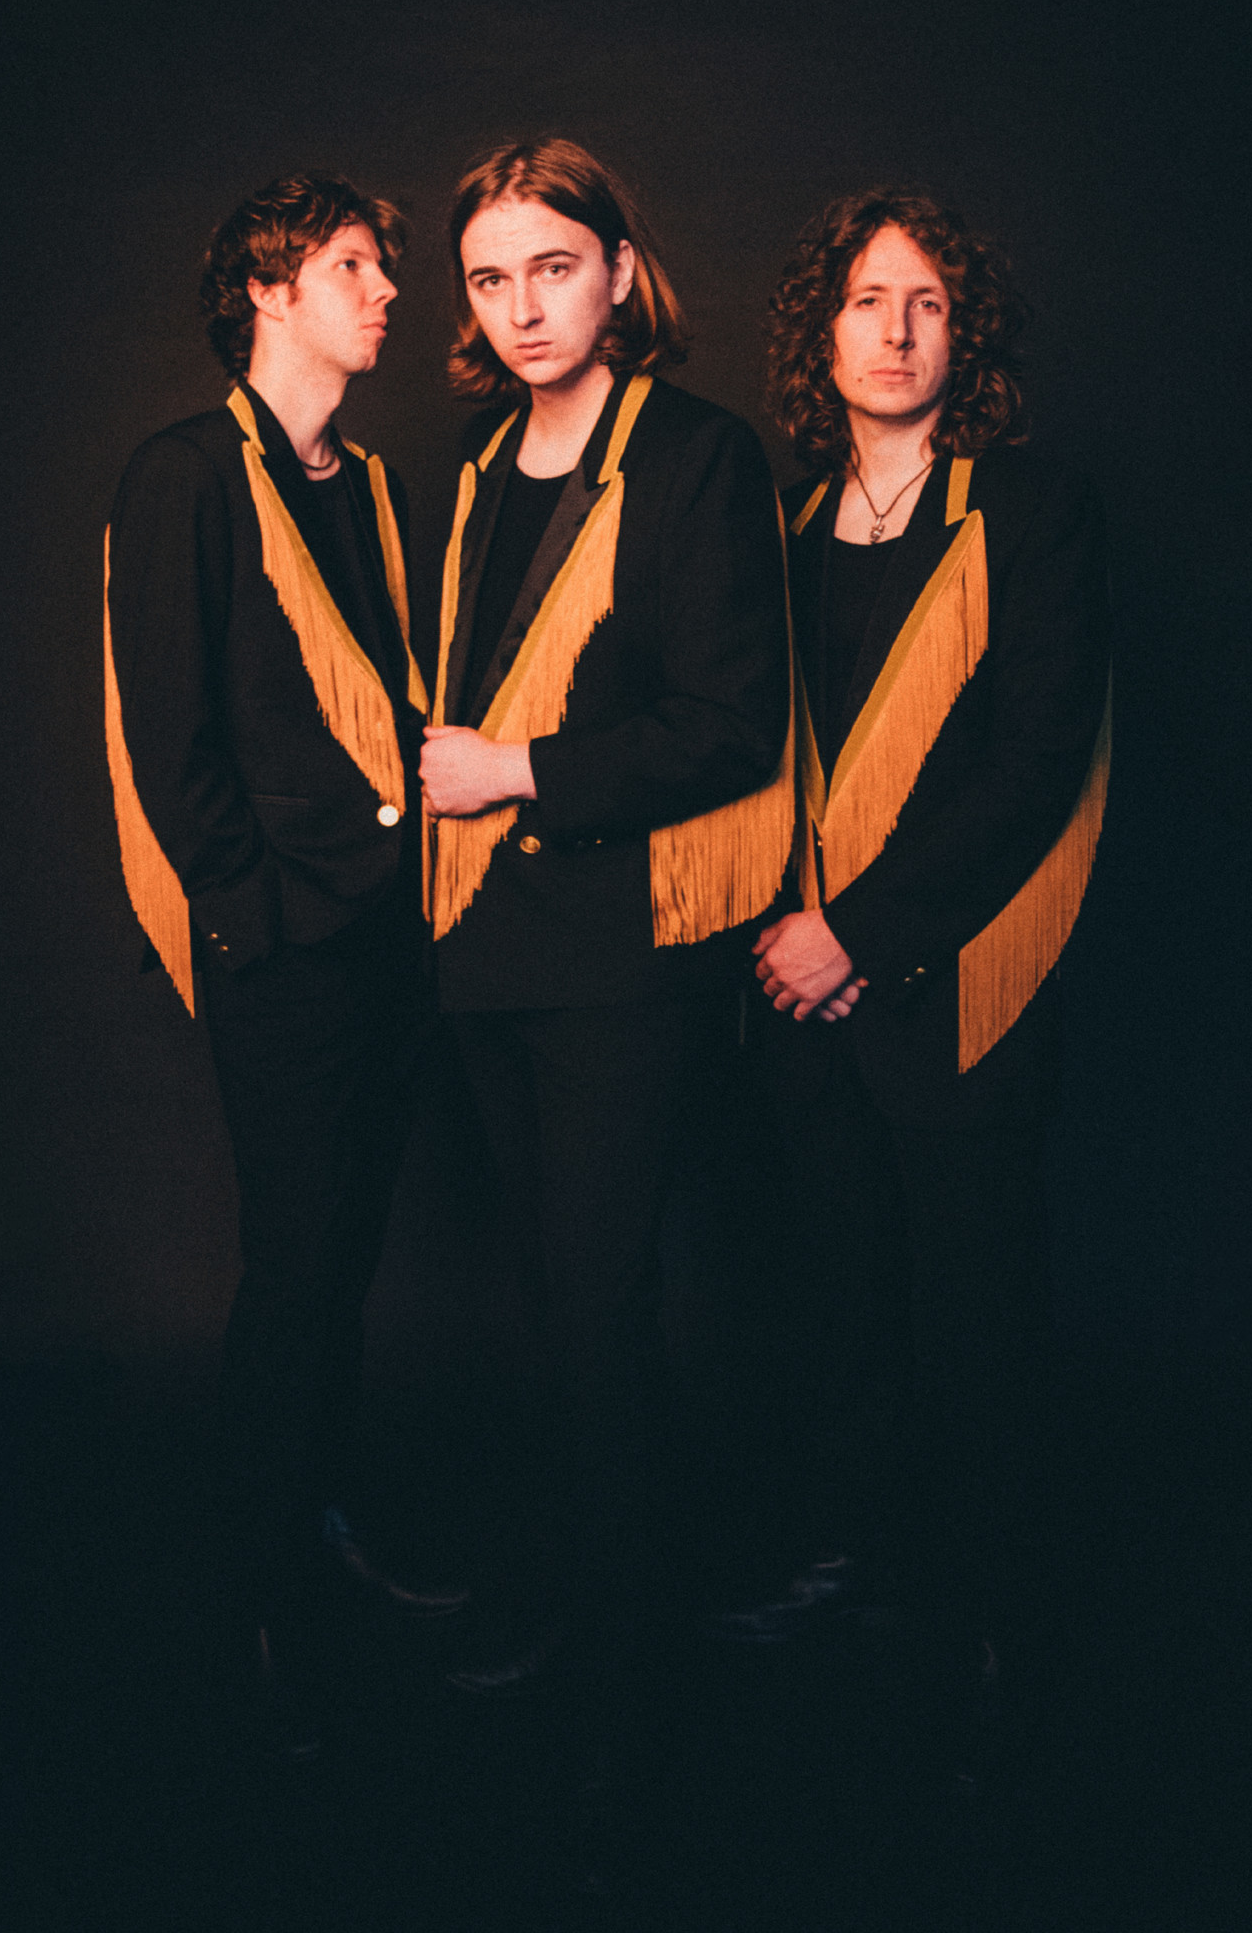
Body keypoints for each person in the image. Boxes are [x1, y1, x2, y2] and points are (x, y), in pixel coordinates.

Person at [723, 189, 1111, 1776]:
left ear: (966, 332)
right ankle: (851, 1565)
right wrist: (789, 937)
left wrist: (860, 937)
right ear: (823, 331)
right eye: (867, 300)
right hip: (806, 997)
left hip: (958, 984)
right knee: (835, 1301)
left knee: (977, 1313)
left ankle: (991, 1610)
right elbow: (753, 761)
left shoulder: (1029, 508)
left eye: (927, 302)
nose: (894, 330)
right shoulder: (786, 525)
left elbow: (1033, 765)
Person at [417, 138, 793, 1710]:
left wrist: (516, 770)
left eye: (553, 269)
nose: (521, 308)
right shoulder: (476, 467)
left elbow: (731, 727)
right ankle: (580, 1599)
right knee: (544, 1300)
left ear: (622, 272)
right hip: (483, 949)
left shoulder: (698, 456)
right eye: (490, 279)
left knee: (600, 1298)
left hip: (626, 957)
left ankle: (621, 1653)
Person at [102, 173, 463, 1759]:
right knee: (296, 1270)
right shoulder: (183, 474)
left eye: (382, 267)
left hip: (393, 943)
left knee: (347, 1265)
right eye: (354, 266)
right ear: (269, 289)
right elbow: (169, 741)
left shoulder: (368, 484)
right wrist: (256, 927)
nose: (385, 293)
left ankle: (316, 1537)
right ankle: (253, 1601)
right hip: (284, 957)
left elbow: (387, 701)